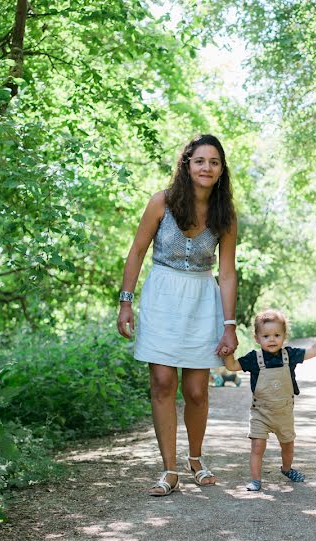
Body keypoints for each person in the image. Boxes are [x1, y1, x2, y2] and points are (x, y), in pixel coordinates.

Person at [117, 134, 238, 497]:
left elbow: (228, 272)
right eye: (200, 160)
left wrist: (229, 325)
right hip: (162, 296)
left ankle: (196, 460)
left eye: (214, 162)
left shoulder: (225, 216)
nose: (206, 167)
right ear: (187, 164)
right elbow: (137, 252)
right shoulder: (162, 203)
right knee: (163, 383)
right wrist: (125, 302)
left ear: (220, 171)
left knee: (198, 390)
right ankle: (169, 470)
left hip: (202, 298)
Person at [222, 309, 316, 491]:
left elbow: (313, 351)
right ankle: (256, 480)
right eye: (266, 336)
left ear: (284, 336)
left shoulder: (290, 355)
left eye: (277, 335)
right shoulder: (253, 359)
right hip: (261, 414)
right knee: (257, 446)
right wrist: (227, 353)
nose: (272, 339)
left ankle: (287, 469)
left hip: (284, 413)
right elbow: (232, 366)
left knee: (288, 445)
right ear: (257, 338)